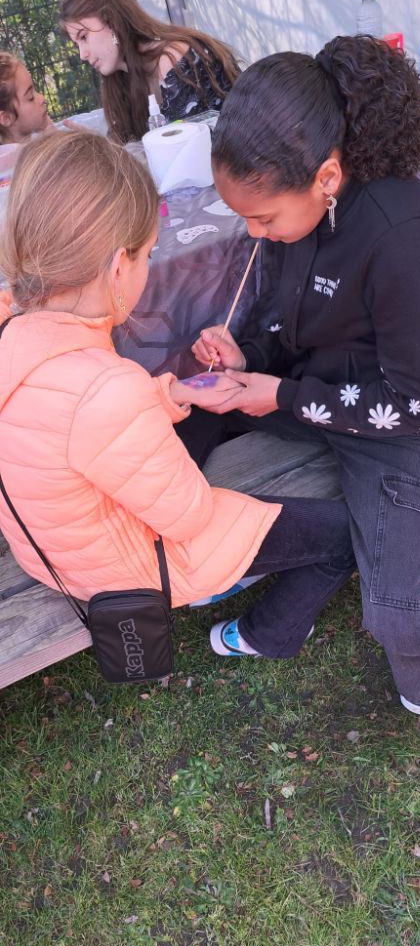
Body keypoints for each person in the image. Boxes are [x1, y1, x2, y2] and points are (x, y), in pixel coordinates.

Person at [0, 130, 355, 665]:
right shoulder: (106, 388)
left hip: (55, 546)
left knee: (205, 410)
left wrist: (174, 393)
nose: (149, 266)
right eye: (148, 254)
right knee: (347, 535)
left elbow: (73, 421)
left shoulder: (16, 332)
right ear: (118, 268)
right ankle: (268, 632)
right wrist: (155, 420)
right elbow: (189, 518)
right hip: (131, 567)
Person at [191, 36, 420, 715]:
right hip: (313, 391)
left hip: (395, 428)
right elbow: (289, 320)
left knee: (400, 624)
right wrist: (247, 358)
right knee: (188, 405)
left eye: (263, 217)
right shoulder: (306, 211)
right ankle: (214, 561)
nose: (254, 234)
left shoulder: (405, 239)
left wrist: (283, 394)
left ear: (327, 177)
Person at [59, 0, 240, 142]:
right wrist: (102, 147)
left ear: (112, 21)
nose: (82, 55)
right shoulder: (120, 83)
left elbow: (184, 155)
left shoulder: (175, 58)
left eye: (84, 37)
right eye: (77, 44)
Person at [0, 52, 51, 145]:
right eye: (31, 97)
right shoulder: (14, 154)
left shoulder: (40, 139)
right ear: (6, 118)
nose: (42, 98)